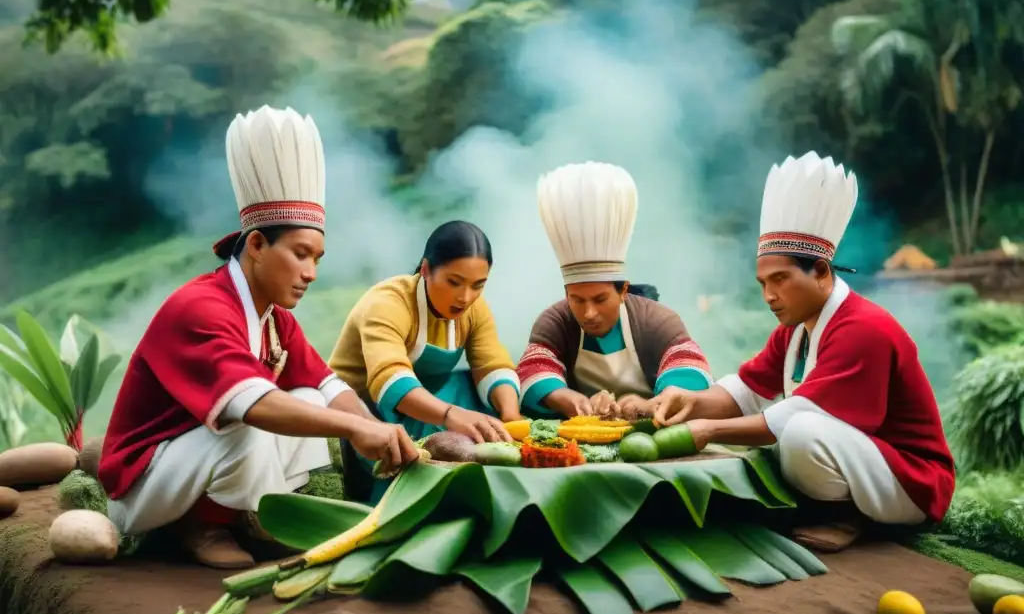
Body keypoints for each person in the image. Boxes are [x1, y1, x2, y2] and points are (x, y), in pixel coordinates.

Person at [98, 106, 419, 570]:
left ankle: (252, 516)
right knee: (252, 417)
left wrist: (379, 429)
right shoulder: (200, 308)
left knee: (308, 395)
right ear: (256, 245)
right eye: (300, 254)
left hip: (191, 463)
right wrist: (355, 429)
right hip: (142, 485)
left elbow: (330, 389)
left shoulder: (273, 316)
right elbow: (253, 404)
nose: (310, 273)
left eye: (318, 258)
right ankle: (199, 524)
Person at [649, 151, 956, 552]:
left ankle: (848, 516)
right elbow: (744, 391)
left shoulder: (864, 328)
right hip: (869, 468)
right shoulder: (795, 329)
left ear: (823, 273)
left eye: (780, 279)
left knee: (800, 434)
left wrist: (708, 430)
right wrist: (688, 401)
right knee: (789, 436)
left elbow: (801, 414)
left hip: (912, 482)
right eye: (762, 283)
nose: (769, 296)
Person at [329, 220, 521, 502]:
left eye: (478, 285)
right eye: (454, 282)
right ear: (426, 269)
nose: (465, 297)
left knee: (479, 396)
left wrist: (511, 416)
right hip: (372, 406)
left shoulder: (474, 309)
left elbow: (490, 363)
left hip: (432, 395)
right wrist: (450, 415)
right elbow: (390, 380)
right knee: (446, 431)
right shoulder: (387, 302)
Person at [516, 162, 713, 420]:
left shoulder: (657, 320)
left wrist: (647, 404)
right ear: (566, 294)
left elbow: (689, 367)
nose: (589, 313)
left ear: (623, 291)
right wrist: (571, 400)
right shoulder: (555, 321)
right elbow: (533, 369)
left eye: (600, 299)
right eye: (577, 300)